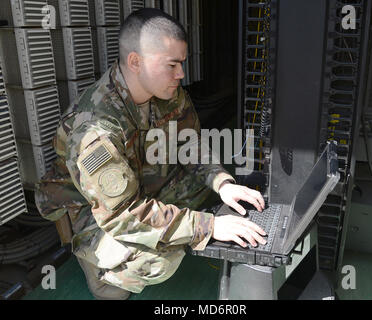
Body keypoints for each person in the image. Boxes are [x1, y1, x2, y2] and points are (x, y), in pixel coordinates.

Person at [35, 8, 266, 300]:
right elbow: (123, 214)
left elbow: (188, 142)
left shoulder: (168, 91)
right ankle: (95, 264)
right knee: (160, 260)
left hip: (136, 182)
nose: (181, 74)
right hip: (92, 207)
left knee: (204, 195)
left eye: (181, 63)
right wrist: (208, 226)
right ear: (135, 62)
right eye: (172, 65)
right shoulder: (95, 130)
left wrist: (222, 182)